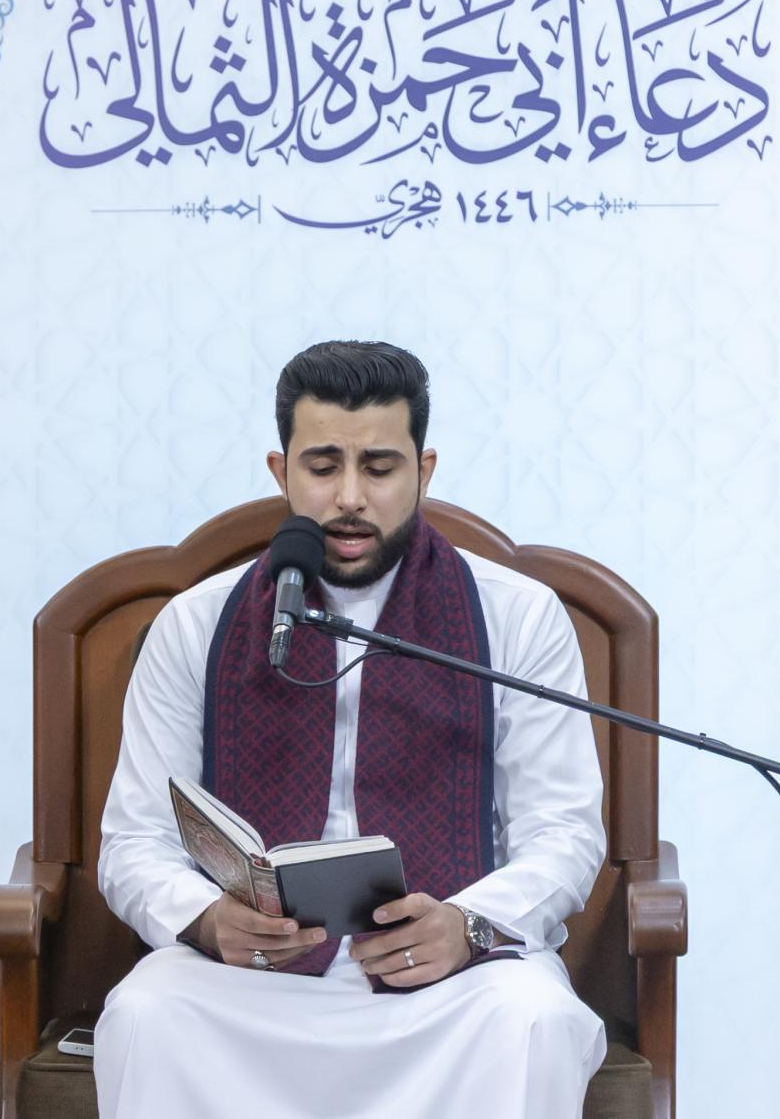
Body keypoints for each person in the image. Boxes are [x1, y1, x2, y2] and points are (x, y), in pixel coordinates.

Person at [93, 340, 608, 1118]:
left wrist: (466, 926)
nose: (349, 497)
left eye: (379, 466)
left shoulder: (516, 615)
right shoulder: (196, 623)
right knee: (146, 1013)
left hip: (450, 985)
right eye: (323, 465)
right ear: (282, 471)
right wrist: (206, 919)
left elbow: (564, 831)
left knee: (530, 1017)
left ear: (424, 470)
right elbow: (135, 840)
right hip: (249, 984)